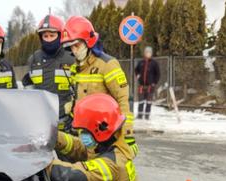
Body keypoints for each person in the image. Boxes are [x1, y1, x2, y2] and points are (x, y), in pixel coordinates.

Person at [61, 16, 138, 156]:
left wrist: (128, 135)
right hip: (86, 138)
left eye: (77, 45)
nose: (74, 50)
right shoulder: (75, 69)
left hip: (108, 140)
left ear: (88, 42)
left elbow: (125, 100)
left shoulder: (108, 65)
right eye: (71, 47)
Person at [23, 15, 75, 130]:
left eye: (52, 35)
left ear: (60, 35)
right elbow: (29, 90)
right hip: (41, 123)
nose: (49, 39)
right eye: (45, 36)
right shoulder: (34, 59)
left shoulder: (71, 58)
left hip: (67, 123)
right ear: (41, 38)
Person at [135, 46, 160, 120]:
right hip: (142, 85)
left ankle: (147, 116)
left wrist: (154, 82)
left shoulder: (154, 63)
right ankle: (140, 115)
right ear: (144, 53)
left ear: (151, 54)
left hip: (150, 86)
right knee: (141, 101)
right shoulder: (141, 62)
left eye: (149, 52)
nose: (148, 54)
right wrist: (138, 76)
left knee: (148, 102)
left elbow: (157, 74)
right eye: (146, 52)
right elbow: (136, 70)